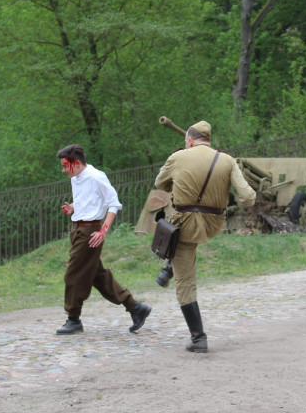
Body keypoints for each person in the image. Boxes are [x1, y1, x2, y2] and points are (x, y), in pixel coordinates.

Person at [154, 121, 255, 353]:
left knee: (185, 281)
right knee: (186, 249)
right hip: (213, 224)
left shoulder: (178, 158)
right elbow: (248, 198)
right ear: (207, 140)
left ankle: (198, 338)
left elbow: (160, 183)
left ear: (189, 140)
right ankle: (170, 266)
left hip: (184, 225)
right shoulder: (227, 160)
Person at [55, 144, 151, 336]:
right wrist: (74, 207)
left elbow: (113, 203)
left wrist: (103, 231)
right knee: (97, 275)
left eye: (66, 166)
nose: (63, 170)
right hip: (77, 230)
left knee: (73, 275)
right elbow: (88, 199)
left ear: (76, 163)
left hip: (91, 232)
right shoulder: (76, 177)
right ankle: (135, 307)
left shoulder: (96, 176)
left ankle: (73, 319)